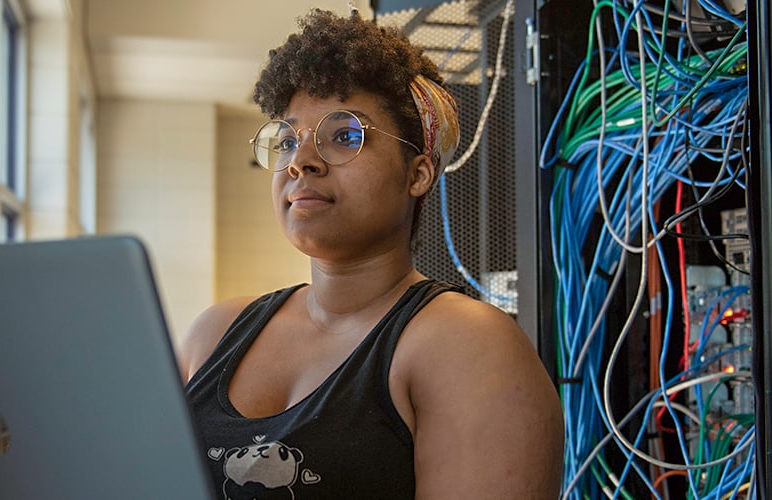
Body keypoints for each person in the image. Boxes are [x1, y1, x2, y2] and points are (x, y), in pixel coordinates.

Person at [178, 8, 563, 499]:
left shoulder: (466, 345)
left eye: (345, 136)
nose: (301, 162)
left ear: (418, 174)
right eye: (288, 140)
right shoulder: (213, 334)